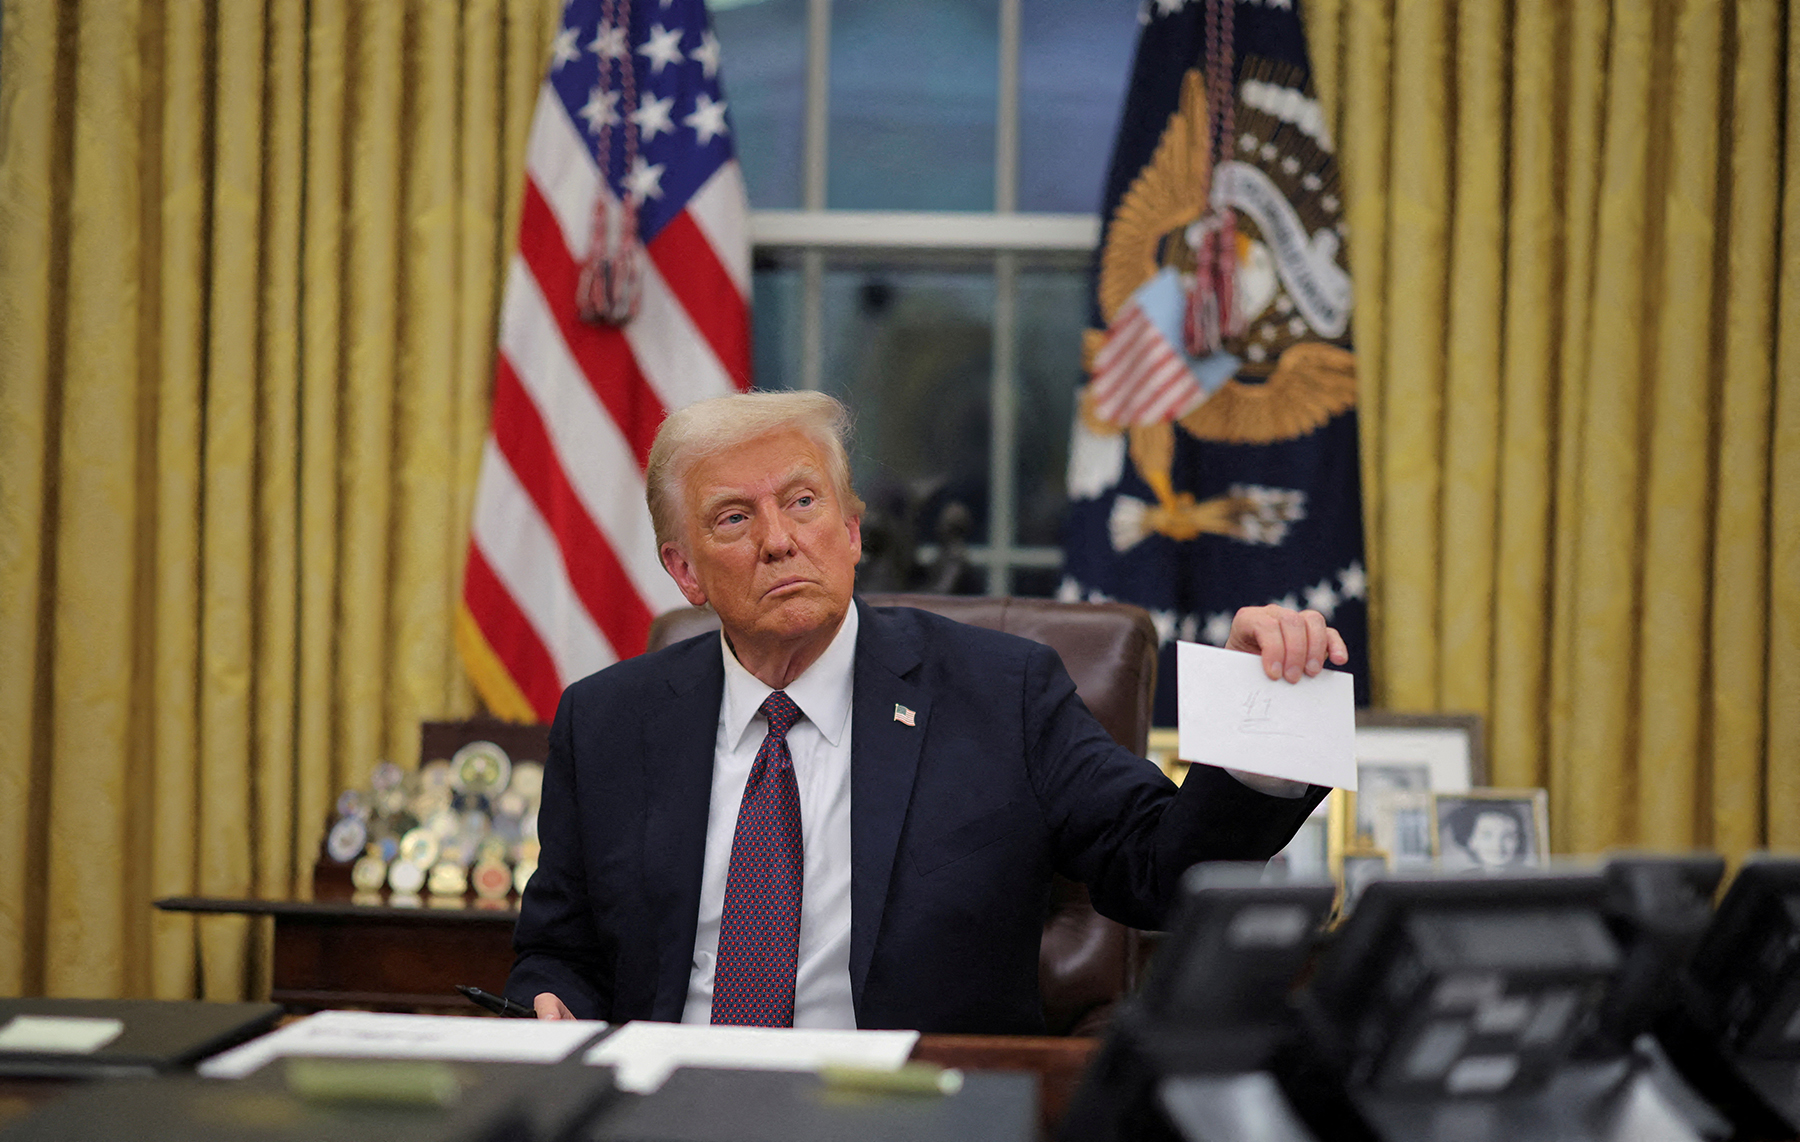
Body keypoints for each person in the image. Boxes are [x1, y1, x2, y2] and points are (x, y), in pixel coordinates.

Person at [506, 390, 1349, 1033]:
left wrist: (1259, 722)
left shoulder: (1001, 693)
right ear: (684, 572)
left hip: (914, 1110)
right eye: (735, 517)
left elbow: (1160, 870)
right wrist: (552, 1004)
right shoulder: (607, 722)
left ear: (851, 530)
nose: (778, 539)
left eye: (802, 502)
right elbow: (557, 950)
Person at [1439, 801, 1530, 871]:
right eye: (1487, 836)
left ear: (1518, 841)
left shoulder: (1533, 879)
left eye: (1508, 836)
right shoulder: (1461, 881)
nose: (1498, 845)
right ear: (1470, 840)